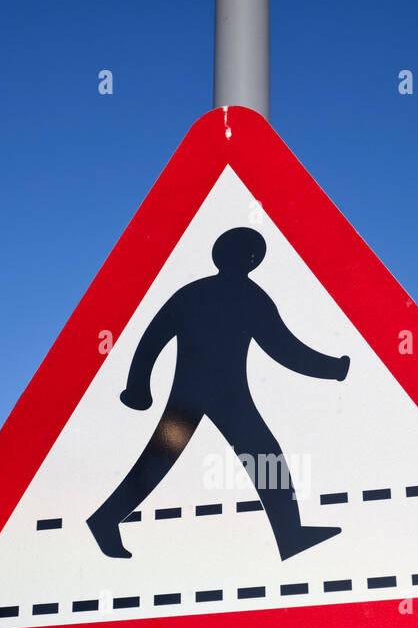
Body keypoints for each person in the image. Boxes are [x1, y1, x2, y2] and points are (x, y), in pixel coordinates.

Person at [87, 226, 350, 561]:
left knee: (184, 459)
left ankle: (290, 533)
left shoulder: (197, 293)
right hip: (222, 397)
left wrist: (138, 389)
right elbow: (284, 349)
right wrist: (334, 369)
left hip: (205, 395)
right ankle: (290, 533)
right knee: (260, 455)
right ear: (250, 260)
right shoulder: (247, 296)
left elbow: (152, 340)